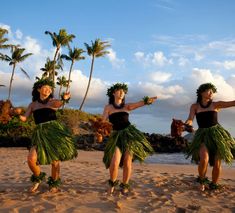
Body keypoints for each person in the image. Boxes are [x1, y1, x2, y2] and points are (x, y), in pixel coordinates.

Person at [20, 78, 78, 193]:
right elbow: (24, 118)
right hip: (40, 133)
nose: (48, 90)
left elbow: (60, 103)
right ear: (38, 89)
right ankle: (38, 177)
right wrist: (14, 113)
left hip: (53, 132)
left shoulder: (53, 101)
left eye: (50, 88)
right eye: (45, 87)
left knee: (55, 161)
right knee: (31, 159)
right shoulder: (33, 105)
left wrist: (65, 99)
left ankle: (54, 183)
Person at [102, 83, 157, 195]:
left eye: (123, 91)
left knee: (127, 161)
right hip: (116, 136)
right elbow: (103, 122)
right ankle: (112, 183)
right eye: (119, 91)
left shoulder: (127, 106)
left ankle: (125, 185)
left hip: (129, 135)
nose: (122, 93)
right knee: (115, 161)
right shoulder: (108, 108)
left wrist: (147, 101)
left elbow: (139, 104)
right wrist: (100, 132)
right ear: (113, 93)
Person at [185, 83, 235, 191]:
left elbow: (232, 103)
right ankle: (202, 181)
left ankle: (214, 184)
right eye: (209, 91)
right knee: (204, 159)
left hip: (217, 135)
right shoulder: (195, 106)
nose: (212, 93)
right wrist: (188, 124)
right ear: (201, 92)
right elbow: (190, 118)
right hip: (202, 135)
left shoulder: (216, 104)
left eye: (213, 91)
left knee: (217, 162)